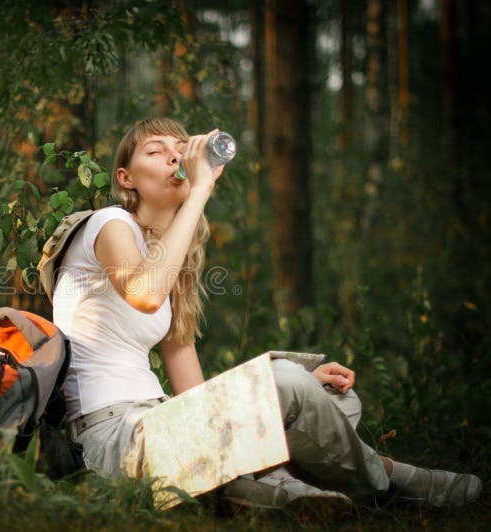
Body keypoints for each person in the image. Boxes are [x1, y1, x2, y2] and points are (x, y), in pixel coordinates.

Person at [49, 117, 482, 510]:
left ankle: (256, 487)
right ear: (126, 178)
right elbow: (144, 292)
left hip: (165, 421)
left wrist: (292, 394)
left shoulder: (171, 255)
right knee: (290, 384)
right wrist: (200, 190)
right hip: (114, 441)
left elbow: (190, 393)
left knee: (335, 399)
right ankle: (392, 482)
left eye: (180, 147)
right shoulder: (109, 224)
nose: (175, 156)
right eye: (155, 150)